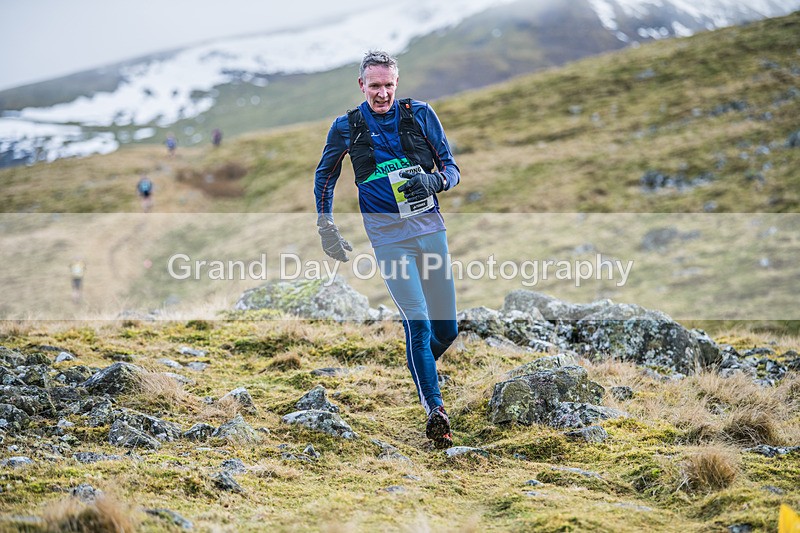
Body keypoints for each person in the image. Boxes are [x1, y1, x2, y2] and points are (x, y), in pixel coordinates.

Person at [314, 50, 461, 449]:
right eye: (375, 85)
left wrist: (436, 183)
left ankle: (420, 366)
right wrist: (326, 225)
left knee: (447, 330)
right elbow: (325, 176)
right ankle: (436, 411)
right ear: (361, 85)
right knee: (418, 322)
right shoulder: (346, 127)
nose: (382, 93)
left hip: (430, 230)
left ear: (397, 83)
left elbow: (451, 168)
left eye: (388, 85)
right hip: (388, 238)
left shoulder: (420, 115)